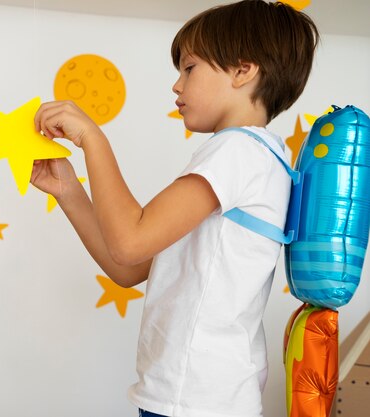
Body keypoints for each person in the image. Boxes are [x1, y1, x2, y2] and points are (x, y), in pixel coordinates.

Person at [31, 1, 319, 416]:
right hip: (200, 393)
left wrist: (93, 139)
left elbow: (130, 242)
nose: (177, 86)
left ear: (243, 70)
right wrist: (70, 191)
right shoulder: (257, 157)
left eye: (189, 68)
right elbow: (128, 267)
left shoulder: (236, 151)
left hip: (195, 396)